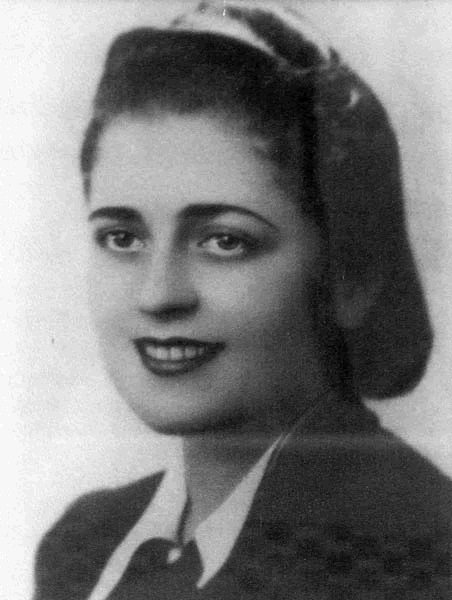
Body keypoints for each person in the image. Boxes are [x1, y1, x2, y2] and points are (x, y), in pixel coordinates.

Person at [33, 2, 451, 599]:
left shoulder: (416, 559)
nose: (158, 294)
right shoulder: (84, 546)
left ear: (349, 274)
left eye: (224, 241)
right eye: (122, 238)